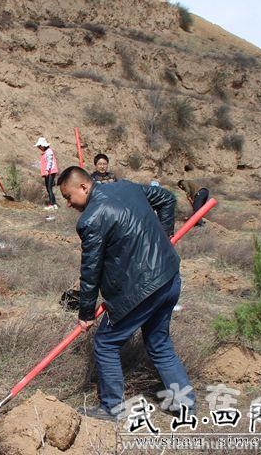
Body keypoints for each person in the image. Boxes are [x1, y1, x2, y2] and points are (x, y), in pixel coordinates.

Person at [57, 166, 194, 420]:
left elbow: (90, 271)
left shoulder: (90, 220)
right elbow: (166, 198)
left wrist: (86, 313)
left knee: (106, 343)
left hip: (140, 291)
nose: (68, 203)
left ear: (83, 187)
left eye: (68, 196)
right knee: (159, 343)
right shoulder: (127, 187)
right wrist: (166, 236)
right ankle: (185, 405)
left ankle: (112, 408)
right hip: (169, 277)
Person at [35, 137, 59, 210]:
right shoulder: (46, 152)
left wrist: (46, 170)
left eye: (39, 146)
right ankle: (54, 204)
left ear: (43, 145)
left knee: (49, 188)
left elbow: (50, 162)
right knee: (49, 188)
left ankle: (52, 204)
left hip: (50, 172)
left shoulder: (49, 152)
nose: (39, 148)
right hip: (48, 172)